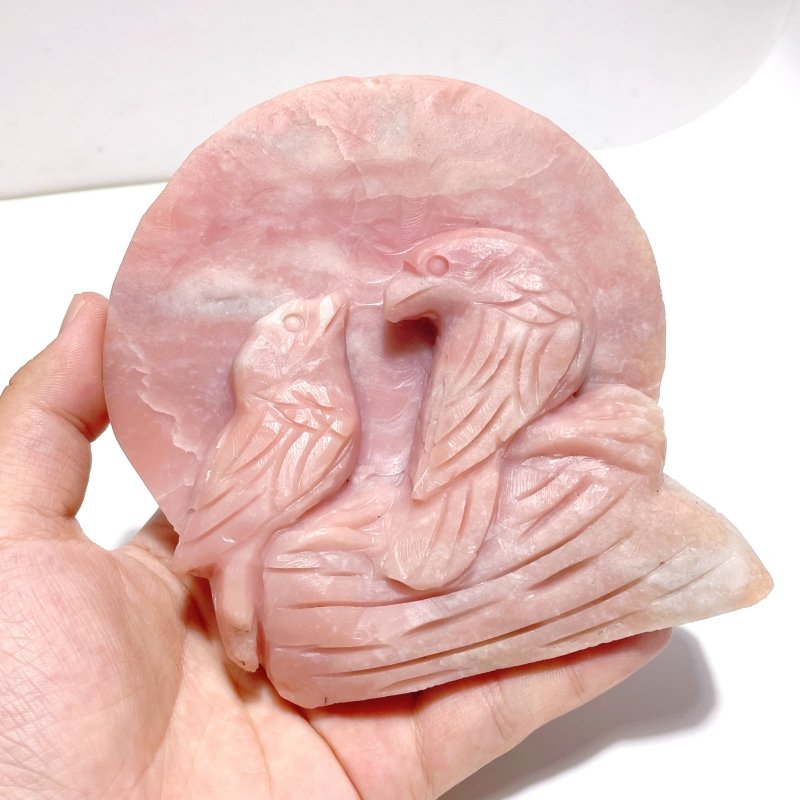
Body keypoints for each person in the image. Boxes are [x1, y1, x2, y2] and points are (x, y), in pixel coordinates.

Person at [0, 293, 670, 799]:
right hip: (256, 554)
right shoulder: (309, 412)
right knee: (246, 593)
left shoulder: (316, 404)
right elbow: (264, 493)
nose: (326, 317)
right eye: (300, 326)